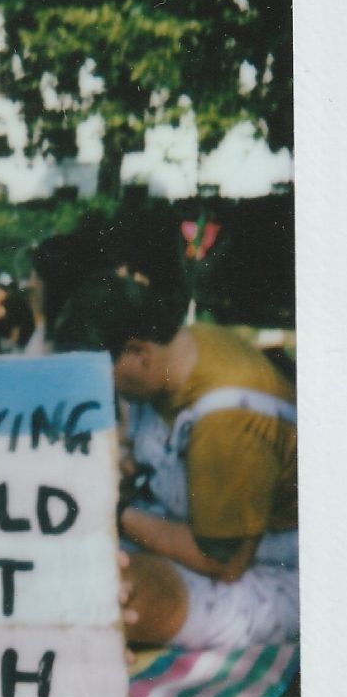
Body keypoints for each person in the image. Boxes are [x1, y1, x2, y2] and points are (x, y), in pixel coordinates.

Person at [55, 268, 298, 652]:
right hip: (177, 529)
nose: (105, 392)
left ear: (138, 352)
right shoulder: (183, 348)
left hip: (269, 567)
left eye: (104, 379)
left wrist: (116, 516)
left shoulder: (228, 417)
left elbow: (226, 563)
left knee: (112, 596)